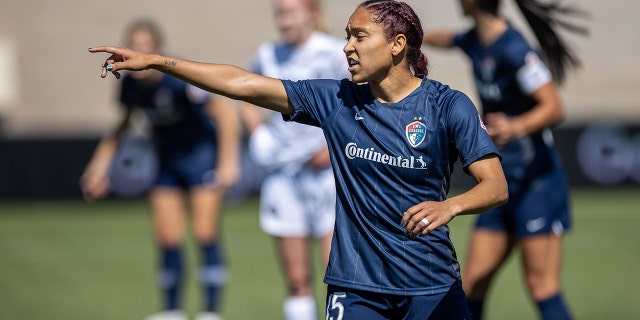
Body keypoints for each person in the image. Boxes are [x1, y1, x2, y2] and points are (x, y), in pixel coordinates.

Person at [89, 1, 508, 318]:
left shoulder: (448, 106)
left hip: (431, 282)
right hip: (355, 287)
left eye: (359, 37)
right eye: (347, 35)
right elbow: (244, 84)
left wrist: (450, 205)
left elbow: (495, 185)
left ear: (397, 45)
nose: (347, 47)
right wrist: (161, 62)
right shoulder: (336, 100)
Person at [423, 0, 587, 319]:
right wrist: (413, 37)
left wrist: (515, 126)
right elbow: (447, 38)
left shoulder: (514, 49)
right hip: (499, 185)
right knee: (471, 285)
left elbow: (554, 107)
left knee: (542, 286)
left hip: (535, 184)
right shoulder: (474, 40)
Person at [81, 19, 240, 320]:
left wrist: (227, 164)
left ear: (156, 49)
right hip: (166, 161)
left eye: (145, 44)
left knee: (205, 233)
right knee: (167, 237)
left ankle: (210, 311)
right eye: (133, 43)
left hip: (200, 159)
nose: (138, 50)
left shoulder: (177, 79)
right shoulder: (129, 83)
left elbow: (224, 115)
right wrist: (98, 169)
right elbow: (122, 126)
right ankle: (172, 311)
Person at [240, 0, 350, 319]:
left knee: (338, 277)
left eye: (291, 13)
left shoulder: (333, 52)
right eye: (280, 14)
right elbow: (245, 95)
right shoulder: (269, 54)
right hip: (284, 176)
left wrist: (333, 148)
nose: (284, 21)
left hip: (328, 177)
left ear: (312, 13)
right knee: (297, 280)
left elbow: (363, 102)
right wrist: (258, 134)